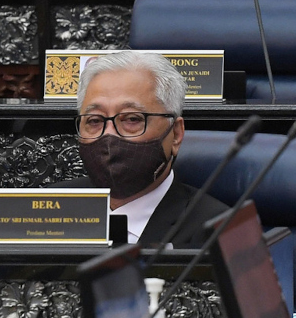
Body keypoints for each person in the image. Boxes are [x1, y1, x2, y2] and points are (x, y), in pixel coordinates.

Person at [54, 51, 228, 248]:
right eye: (94, 120)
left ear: (176, 134)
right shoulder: (48, 208)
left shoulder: (218, 231)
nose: (108, 135)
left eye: (132, 119)